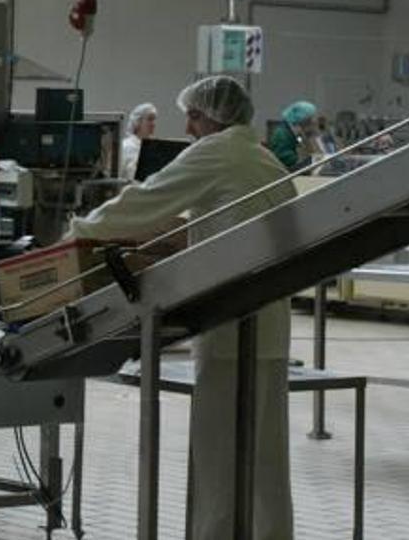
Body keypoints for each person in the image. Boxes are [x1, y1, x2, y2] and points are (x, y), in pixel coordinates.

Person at [66, 76, 296, 539]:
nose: (187, 127)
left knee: (218, 453)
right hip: (270, 323)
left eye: (193, 115)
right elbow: (227, 224)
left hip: (231, 324)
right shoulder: (262, 158)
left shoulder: (217, 151)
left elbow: (147, 199)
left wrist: (80, 230)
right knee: (265, 454)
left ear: (215, 115)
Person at [269, 100, 318, 171]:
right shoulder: (282, 134)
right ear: (302, 119)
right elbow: (286, 160)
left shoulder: (294, 131)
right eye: (309, 120)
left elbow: (309, 151)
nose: (312, 123)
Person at [119, 102, 157, 181]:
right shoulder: (126, 147)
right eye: (150, 119)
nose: (153, 124)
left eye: (154, 119)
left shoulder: (155, 148)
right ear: (137, 122)